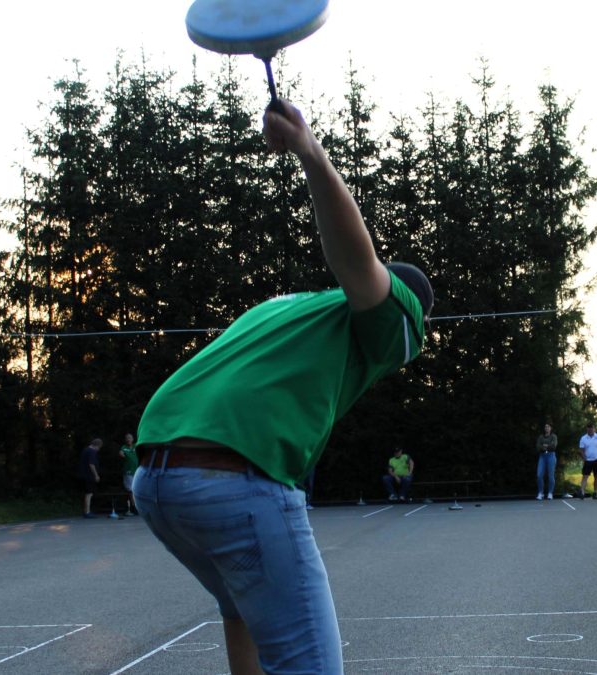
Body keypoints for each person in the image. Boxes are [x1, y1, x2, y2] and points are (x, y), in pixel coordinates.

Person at [133, 98, 433, 675]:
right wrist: (310, 151)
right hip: (231, 479)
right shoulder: (390, 314)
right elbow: (358, 262)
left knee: (243, 609)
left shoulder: (282, 309)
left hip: (156, 481)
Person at [579, 423, 597, 499]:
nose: (590, 430)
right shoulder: (583, 438)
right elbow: (581, 450)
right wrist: (584, 458)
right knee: (585, 476)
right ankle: (582, 492)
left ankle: (595, 492)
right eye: (589, 428)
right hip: (588, 460)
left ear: (594, 429)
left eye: (592, 428)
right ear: (587, 429)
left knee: (596, 476)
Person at [77, 438, 102, 518]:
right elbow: (91, 464)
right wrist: (96, 475)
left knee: (87, 493)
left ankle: (86, 511)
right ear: (97, 445)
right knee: (89, 493)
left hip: (83, 475)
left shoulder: (85, 450)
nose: (98, 450)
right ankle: (87, 512)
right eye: (99, 447)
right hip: (89, 475)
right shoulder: (92, 451)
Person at [535, 423, 558, 500]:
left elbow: (553, 446)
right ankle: (540, 493)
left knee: (551, 475)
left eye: (548, 427)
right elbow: (538, 446)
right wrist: (547, 446)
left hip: (551, 456)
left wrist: (544, 446)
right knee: (539, 475)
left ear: (551, 428)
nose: (546, 428)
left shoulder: (553, 436)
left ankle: (550, 493)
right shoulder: (541, 437)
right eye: (545, 427)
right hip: (542, 456)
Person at [119, 432, 139, 515]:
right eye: (127, 438)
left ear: (132, 439)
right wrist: (122, 455)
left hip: (137, 471)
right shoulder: (124, 447)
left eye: (130, 438)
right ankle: (134, 507)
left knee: (137, 489)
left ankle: (138, 506)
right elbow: (121, 453)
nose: (128, 439)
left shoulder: (136, 446)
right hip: (128, 471)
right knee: (131, 490)